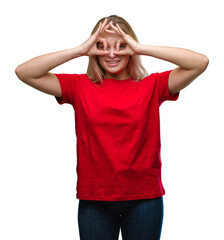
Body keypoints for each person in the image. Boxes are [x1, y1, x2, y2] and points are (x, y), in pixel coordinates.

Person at [15, 15, 209, 240]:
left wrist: (140, 48)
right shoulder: (78, 86)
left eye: (120, 46)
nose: (111, 53)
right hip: (95, 200)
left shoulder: (152, 86)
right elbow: (24, 72)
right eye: (101, 46)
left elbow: (200, 63)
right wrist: (80, 50)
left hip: (144, 199)